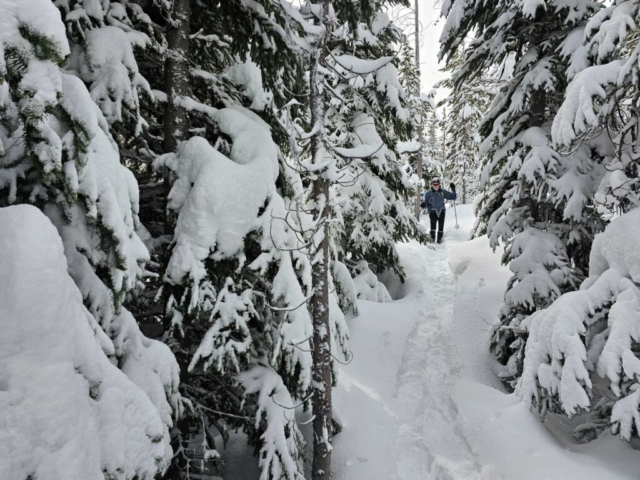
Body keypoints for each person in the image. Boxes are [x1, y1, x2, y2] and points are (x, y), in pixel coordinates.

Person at [421, 179, 457, 243]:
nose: (436, 186)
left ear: (439, 185)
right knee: (433, 227)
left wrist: (453, 189)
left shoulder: (443, 192)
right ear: (432, 185)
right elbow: (427, 202)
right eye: (434, 184)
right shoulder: (428, 193)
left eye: (437, 184)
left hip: (441, 211)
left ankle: (439, 240)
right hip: (432, 212)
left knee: (441, 226)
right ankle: (432, 240)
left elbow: (453, 197)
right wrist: (424, 204)